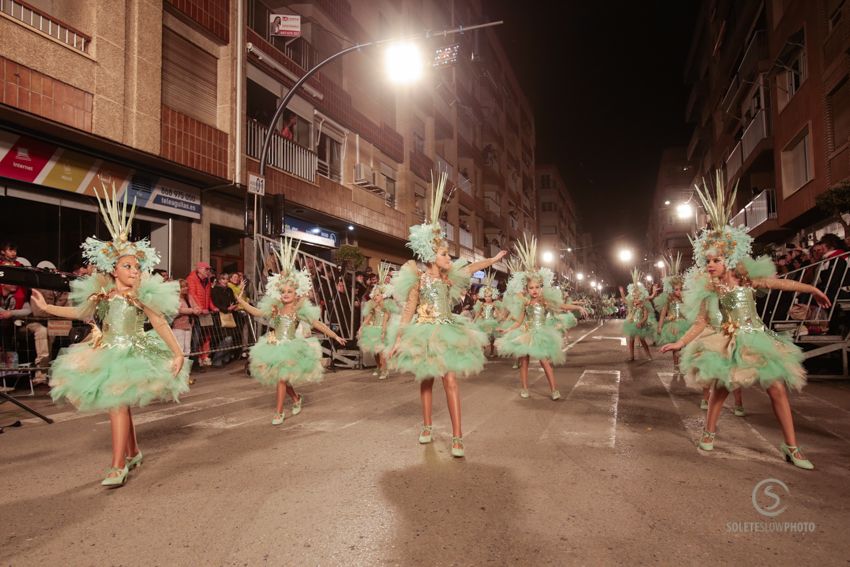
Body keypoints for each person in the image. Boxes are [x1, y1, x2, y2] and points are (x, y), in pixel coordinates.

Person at [661, 174, 830, 469]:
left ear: (729, 259)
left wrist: (812, 289)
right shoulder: (711, 289)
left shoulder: (748, 280)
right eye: (707, 261)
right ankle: (709, 432)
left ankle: (791, 447)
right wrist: (680, 342)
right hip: (730, 341)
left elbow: (782, 284)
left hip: (758, 339)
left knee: (777, 389)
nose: (710, 265)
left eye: (715, 260)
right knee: (721, 389)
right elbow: (700, 322)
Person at [33, 185, 189, 487]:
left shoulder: (140, 295)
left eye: (137, 266)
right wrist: (47, 307)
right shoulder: (103, 294)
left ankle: (118, 466)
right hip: (106, 352)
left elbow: (158, 322)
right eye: (127, 266)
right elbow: (80, 312)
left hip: (133, 353)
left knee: (118, 402)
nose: (134, 271)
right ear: (114, 270)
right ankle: (133, 452)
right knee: (120, 402)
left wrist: (178, 353)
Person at [388, 172, 507, 458]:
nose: (448, 258)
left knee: (450, 380)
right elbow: (408, 310)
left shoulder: (449, 277)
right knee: (426, 380)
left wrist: (492, 260)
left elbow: (471, 267)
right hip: (423, 332)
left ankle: (457, 436)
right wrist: (398, 340)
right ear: (431, 256)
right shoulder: (417, 278)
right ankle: (427, 426)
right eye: (443, 254)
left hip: (446, 330)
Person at [236, 238, 346, 425]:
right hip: (273, 344)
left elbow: (317, 324)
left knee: (281, 379)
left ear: (296, 294)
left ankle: (279, 413)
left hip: (290, 347)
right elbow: (257, 312)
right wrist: (241, 301)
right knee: (281, 379)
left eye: (290, 291)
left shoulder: (298, 310)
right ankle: (296, 398)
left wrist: (335, 335)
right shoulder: (275, 307)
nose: (286, 294)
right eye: (283, 291)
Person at [495, 235, 586, 400]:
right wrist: (507, 330)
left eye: (537, 287)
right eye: (531, 288)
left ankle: (554, 390)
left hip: (541, 333)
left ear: (541, 287)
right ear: (527, 289)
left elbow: (561, 306)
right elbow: (519, 321)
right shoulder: (525, 302)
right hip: (526, 333)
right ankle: (524, 388)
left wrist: (577, 307)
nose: (534, 290)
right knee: (524, 361)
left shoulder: (545, 301)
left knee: (545, 362)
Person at [357, 263, 398, 380]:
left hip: (381, 329)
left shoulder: (386, 307)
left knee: (381, 351)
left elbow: (385, 320)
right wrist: (361, 327)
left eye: (377, 295)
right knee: (374, 351)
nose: (375, 297)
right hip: (373, 328)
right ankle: (379, 367)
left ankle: (384, 369)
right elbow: (368, 317)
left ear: (382, 296)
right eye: (374, 295)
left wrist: (383, 331)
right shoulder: (373, 306)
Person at [620, 269, 655, 361]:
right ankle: (631, 356)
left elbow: (645, 316)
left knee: (642, 340)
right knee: (631, 340)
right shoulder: (632, 304)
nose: (636, 298)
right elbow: (625, 301)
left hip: (640, 324)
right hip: (632, 323)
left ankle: (649, 355)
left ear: (641, 296)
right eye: (634, 296)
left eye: (637, 296)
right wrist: (622, 292)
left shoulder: (643, 305)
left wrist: (641, 322)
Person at [187, 262, 213, 366]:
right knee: (196, 338)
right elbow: (192, 295)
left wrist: (212, 307)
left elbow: (208, 296)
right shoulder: (191, 279)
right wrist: (201, 309)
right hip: (197, 313)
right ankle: (195, 361)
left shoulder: (207, 280)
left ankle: (204, 357)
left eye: (209, 269)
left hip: (205, 313)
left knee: (206, 336)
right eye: (206, 269)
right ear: (199, 269)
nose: (208, 271)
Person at [472, 271, 503, 357]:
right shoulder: (482, 304)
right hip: (483, 322)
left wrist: (498, 318)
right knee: (483, 337)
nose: (487, 298)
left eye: (489, 296)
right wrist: (474, 321)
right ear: (483, 296)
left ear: (492, 296)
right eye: (486, 296)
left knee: (492, 338)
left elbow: (498, 314)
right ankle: (482, 351)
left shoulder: (494, 304)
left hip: (492, 321)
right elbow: (478, 313)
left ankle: (492, 352)